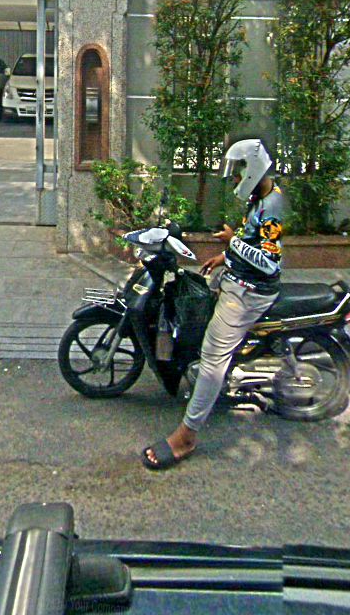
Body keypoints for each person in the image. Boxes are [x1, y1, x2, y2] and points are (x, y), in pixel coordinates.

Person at [142, 138, 285, 471]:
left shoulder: (273, 208)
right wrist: (225, 255)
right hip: (236, 278)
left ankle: (187, 435)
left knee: (212, 359)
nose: (234, 179)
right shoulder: (261, 197)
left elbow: (269, 263)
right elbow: (251, 240)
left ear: (252, 170)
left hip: (249, 292)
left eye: (238, 173)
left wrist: (232, 242)